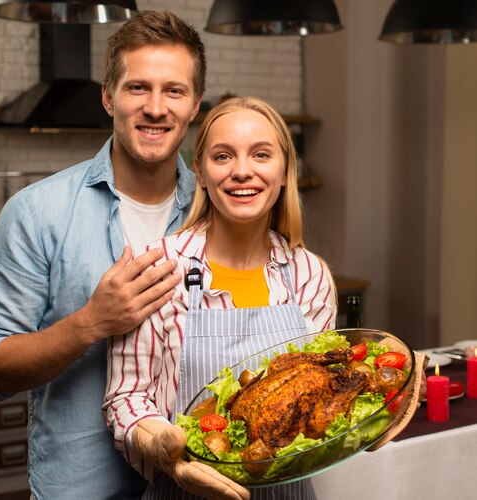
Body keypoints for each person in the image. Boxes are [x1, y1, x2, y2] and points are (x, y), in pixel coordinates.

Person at [0, 11, 206, 499]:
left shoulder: (218, 211)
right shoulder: (38, 212)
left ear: (195, 104)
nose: (156, 107)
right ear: (108, 97)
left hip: (202, 485)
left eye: (175, 91)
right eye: (138, 87)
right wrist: (91, 323)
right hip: (82, 488)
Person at [103, 96, 338, 499]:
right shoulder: (159, 268)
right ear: (200, 171)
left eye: (261, 154)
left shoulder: (309, 275)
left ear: (284, 171)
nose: (242, 171)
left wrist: (374, 418)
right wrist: (164, 450)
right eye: (223, 156)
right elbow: (127, 396)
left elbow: (325, 390)